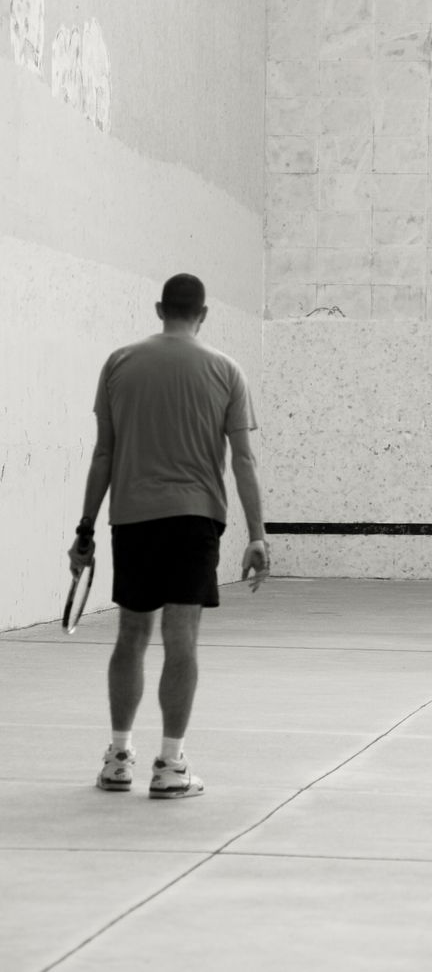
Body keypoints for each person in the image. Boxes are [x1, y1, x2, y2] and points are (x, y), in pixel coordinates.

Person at [68, 274, 269, 798]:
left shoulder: (119, 363)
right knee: (182, 642)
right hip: (194, 520)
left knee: (130, 638)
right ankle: (170, 766)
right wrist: (258, 535)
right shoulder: (226, 370)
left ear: (161, 308)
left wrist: (85, 530)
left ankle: (117, 759)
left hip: (132, 519)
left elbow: (103, 455)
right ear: (202, 314)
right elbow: (244, 459)